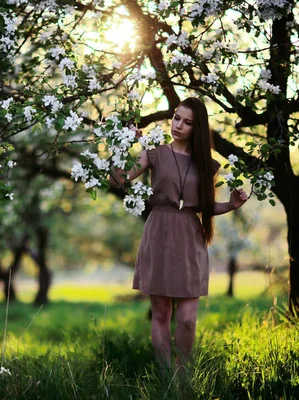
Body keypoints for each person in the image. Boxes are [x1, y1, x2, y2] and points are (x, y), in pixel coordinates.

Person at [110, 97, 248, 373]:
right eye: (176, 118)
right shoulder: (154, 152)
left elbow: (204, 207)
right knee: (161, 312)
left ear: (197, 128)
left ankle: (182, 372)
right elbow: (119, 179)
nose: (178, 125)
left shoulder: (207, 164)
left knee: (187, 318)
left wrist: (231, 205)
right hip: (158, 232)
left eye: (187, 122)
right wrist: (122, 143)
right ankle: (166, 378)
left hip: (189, 237)